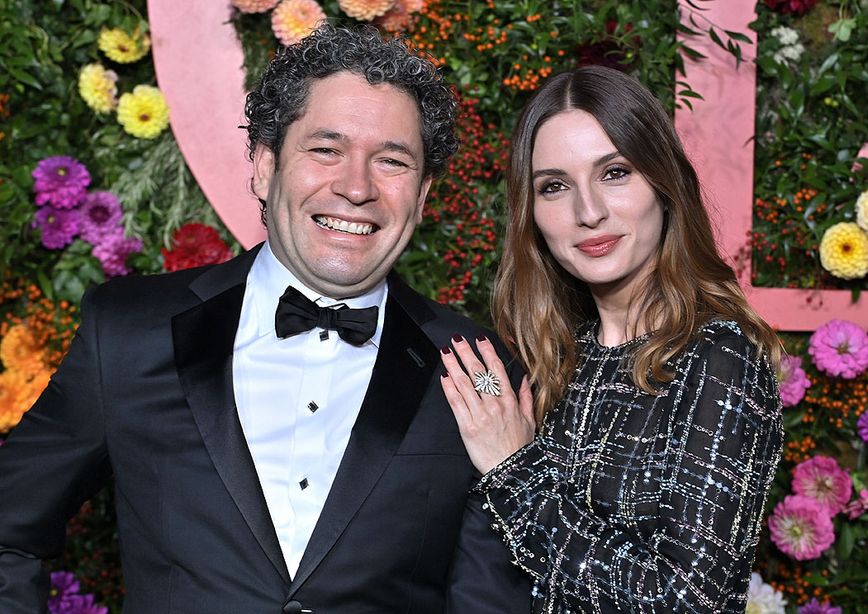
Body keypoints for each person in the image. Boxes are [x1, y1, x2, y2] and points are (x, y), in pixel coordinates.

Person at [0, 24, 530, 613]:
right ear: (263, 165)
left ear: (424, 194)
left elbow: (493, 597)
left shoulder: (478, 366)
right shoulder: (129, 332)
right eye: (325, 149)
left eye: (392, 161)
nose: (356, 187)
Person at [439, 65, 784, 613]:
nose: (588, 211)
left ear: (663, 184)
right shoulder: (554, 357)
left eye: (615, 173)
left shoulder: (719, 357)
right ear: (531, 214)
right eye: (554, 186)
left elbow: (684, 602)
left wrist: (515, 471)